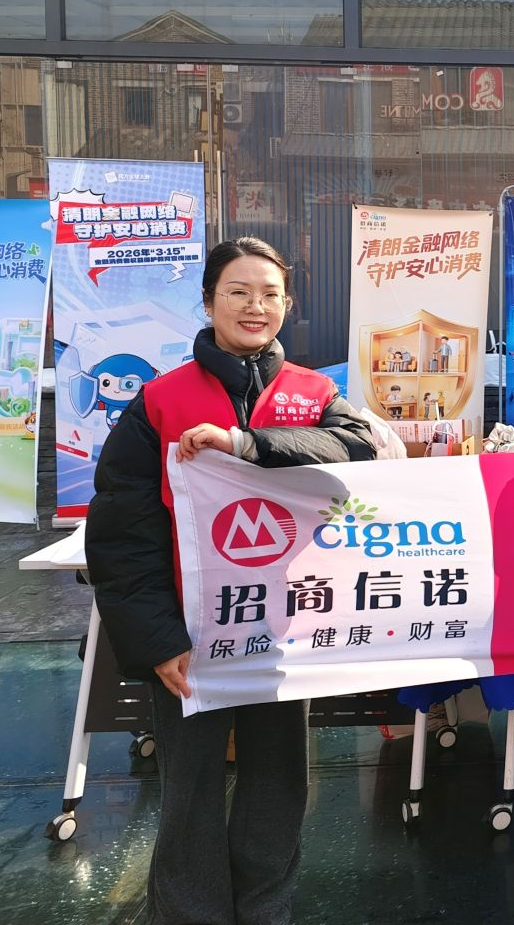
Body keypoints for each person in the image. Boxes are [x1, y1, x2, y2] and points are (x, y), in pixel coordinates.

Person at [86, 236, 376, 925]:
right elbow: (122, 535)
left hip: (285, 628)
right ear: (209, 301)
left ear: (288, 304)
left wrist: (244, 445)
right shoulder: (161, 401)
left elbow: (359, 447)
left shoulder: (313, 393)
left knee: (279, 784)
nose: (255, 306)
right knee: (189, 792)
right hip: (189, 637)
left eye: (270, 294)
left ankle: (265, 911)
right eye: (238, 292)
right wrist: (159, 640)